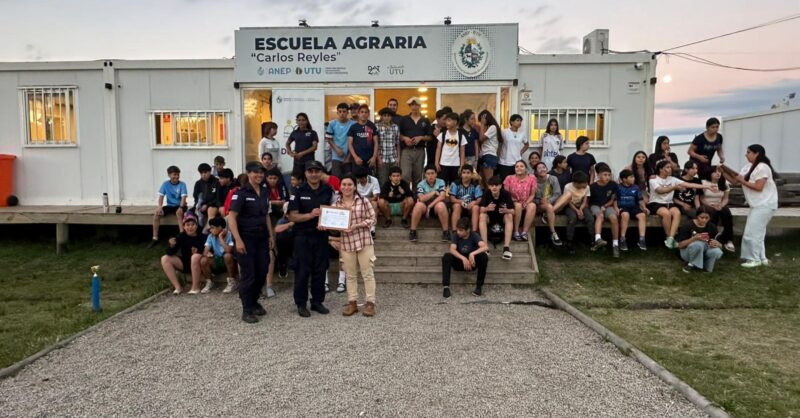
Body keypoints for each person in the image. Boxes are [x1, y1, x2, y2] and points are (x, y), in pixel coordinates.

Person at [228, 162, 274, 323]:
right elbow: (231, 217)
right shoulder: (240, 193)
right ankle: (247, 308)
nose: (259, 175)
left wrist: (271, 237)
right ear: (248, 173)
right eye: (256, 173)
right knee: (249, 274)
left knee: (262, 271)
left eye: (261, 173)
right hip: (245, 239)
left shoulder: (265, 191)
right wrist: (238, 240)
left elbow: (266, 215)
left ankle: (254, 301)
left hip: (261, 238)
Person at [287, 160, 335, 317]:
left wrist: (330, 224)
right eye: (310, 171)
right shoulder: (298, 191)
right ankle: (301, 303)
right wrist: (310, 215)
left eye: (317, 171)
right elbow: (292, 215)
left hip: (321, 236)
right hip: (303, 237)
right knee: (302, 271)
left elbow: (334, 212)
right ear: (306, 173)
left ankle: (317, 302)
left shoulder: (328, 190)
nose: (314, 174)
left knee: (320, 270)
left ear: (321, 173)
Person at [721, 144, 779, 268]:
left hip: (765, 204)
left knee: (751, 233)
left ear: (756, 153)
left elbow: (758, 187)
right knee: (758, 233)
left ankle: (754, 259)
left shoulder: (762, 167)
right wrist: (723, 171)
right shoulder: (748, 167)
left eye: (748, 152)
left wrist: (742, 181)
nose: (746, 154)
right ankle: (762, 258)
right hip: (757, 205)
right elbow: (736, 181)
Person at [330, 176, 378, 317]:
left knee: (367, 274)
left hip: (363, 240)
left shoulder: (363, 201)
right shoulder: (335, 205)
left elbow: (372, 218)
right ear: (340, 187)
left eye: (349, 184)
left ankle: (370, 303)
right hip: (346, 243)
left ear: (354, 186)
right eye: (344, 184)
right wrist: (324, 225)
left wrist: (357, 225)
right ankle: (352, 303)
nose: (346, 187)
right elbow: (331, 223)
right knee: (350, 275)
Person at [649, 160, 711, 249]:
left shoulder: (673, 179)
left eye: (670, 167)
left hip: (669, 203)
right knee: (666, 214)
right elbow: (660, 191)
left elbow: (689, 184)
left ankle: (671, 238)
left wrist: (706, 186)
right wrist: (674, 187)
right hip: (656, 203)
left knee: (677, 213)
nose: (670, 169)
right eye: (667, 167)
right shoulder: (653, 179)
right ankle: (668, 237)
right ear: (660, 169)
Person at [442, 218, 490, 298]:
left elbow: (485, 247)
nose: (458, 232)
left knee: (483, 256)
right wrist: (463, 258)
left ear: (468, 230)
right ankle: (446, 287)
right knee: (447, 257)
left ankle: (478, 287)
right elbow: (452, 249)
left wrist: (472, 254)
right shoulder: (456, 235)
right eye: (457, 230)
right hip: (459, 263)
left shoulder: (474, 235)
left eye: (461, 230)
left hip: (472, 263)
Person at [160, 213, 206, 295]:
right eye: (187, 225)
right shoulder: (181, 236)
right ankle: (177, 287)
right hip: (185, 263)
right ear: (184, 227)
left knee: (195, 257)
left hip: (199, 264)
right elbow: (170, 252)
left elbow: (208, 251)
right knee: (165, 258)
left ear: (196, 225)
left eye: (193, 225)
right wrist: (172, 245)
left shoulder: (203, 237)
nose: (190, 227)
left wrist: (198, 251)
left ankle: (195, 287)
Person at [552, 171, 593, 255]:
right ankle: (569, 241)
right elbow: (568, 201)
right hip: (570, 206)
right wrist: (577, 211)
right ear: (576, 183)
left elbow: (585, 201)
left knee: (590, 218)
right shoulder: (568, 186)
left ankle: (592, 239)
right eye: (584, 183)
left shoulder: (587, 187)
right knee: (572, 219)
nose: (585, 184)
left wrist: (581, 209)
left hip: (582, 206)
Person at [676, 208, 724, 273]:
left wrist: (718, 244)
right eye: (702, 217)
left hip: (705, 250)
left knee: (717, 252)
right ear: (697, 216)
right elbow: (680, 245)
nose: (704, 220)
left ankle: (706, 268)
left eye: (707, 218)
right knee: (698, 244)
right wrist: (694, 238)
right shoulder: (688, 225)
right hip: (688, 251)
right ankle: (691, 265)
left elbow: (720, 245)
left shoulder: (712, 226)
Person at [398, 97, 432, 188]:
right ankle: (406, 197)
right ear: (409, 106)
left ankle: (416, 198)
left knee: (418, 176)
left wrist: (421, 138)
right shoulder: (404, 119)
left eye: (416, 104)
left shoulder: (425, 120)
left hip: (420, 150)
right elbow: (398, 134)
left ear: (419, 106)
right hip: (406, 150)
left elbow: (430, 137)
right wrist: (405, 138)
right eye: (412, 105)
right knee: (405, 175)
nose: (414, 107)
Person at [150, 165, 188, 248]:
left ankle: (182, 235)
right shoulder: (165, 184)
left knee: (179, 213)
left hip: (180, 205)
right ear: (169, 175)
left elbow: (183, 198)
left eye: (178, 174)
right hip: (170, 206)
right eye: (174, 174)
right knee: (156, 214)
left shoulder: (182, 184)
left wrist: (181, 208)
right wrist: (159, 207)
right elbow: (161, 196)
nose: (177, 176)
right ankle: (155, 238)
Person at [478, 176, 515, 260]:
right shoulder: (486, 193)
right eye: (492, 185)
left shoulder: (506, 194)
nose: (494, 187)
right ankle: (485, 247)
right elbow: (481, 209)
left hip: (502, 218)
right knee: (482, 215)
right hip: (490, 219)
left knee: (509, 215)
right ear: (489, 186)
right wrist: (487, 208)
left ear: (500, 186)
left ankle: (506, 248)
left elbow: (513, 211)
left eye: (496, 185)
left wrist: (507, 210)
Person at [409, 165, 449, 242]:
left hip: (436, 207)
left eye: (432, 173)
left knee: (441, 205)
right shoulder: (421, 184)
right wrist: (433, 192)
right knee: (418, 205)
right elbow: (421, 198)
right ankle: (412, 231)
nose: (430, 176)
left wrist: (430, 206)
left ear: (436, 174)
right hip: (424, 207)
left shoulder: (441, 182)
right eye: (428, 174)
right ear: (425, 175)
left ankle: (446, 232)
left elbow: (442, 197)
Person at [701, 167, 735, 252]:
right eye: (715, 172)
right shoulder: (704, 183)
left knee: (727, 212)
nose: (718, 173)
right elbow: (701, 198)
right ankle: (713, 239)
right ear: (710, 173)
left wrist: (721, 205)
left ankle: (728, 240)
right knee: (713, 214)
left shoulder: (724, 183)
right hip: (707, 205)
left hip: (719, 205)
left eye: (719, 171)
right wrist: (711, 206)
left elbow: (725, 198)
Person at [588, 163, 619, 256]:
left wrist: (608, 206)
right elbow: (589, 201)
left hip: (607, 205)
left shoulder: (613, 185)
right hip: (595, 205)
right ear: (598, 175)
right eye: (605, 175)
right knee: (600, 215)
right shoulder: (592, 186)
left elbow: (613, 199)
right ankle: (598, 239)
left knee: (613, 218)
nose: (607, 177)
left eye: (609, 175)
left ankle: (615, 244)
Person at [200, 216, 237, 294]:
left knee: (227, 256)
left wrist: (220, 237)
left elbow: (228, 250)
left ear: (220, 227)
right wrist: (207, 253)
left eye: (212, 228)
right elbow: (205, 251)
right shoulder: (210, 236)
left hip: (229, 261)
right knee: (203, 260)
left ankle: (232, 282)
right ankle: (209, 282)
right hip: (217, 259)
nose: (210, 230)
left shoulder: (230, 235)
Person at [503, 160, 537, 242]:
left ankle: (524, 232)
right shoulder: (509, 178)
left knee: (532, 206)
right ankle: (516, 231)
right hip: (513, 202)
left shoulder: (532, 178)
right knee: (518, 205)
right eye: (517, 166)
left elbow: (532, 194)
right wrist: (512, 201)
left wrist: (526, 202)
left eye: (521, 166)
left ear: (525, 168)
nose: (519, 168)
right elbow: (505, 194)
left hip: (526, 201)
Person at [617, 169, 649, 252]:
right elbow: (614, 199)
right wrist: (616, 209)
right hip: (623, 207)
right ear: (624, 179)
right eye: (631, 177)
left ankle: (642, 239)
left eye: (633, 176)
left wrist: (644, 208)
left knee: (642, 215)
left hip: (634, 207)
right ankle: (622, 239)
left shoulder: (635, 187)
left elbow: (640, 200)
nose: (633, 178)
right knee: (625, 215)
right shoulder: (618, 187)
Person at [532, 162, 563, 246]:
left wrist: (549, 201)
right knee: (548, 207)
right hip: (540, 206)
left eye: (544, 167)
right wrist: (540, 201)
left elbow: (557, 194)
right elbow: (531, 198)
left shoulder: (553, 178)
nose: (542, 169)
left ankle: (547, 215)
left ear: (547, 169)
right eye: (539, 168)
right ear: (535, 172)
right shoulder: (533, 181)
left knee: (568, 195)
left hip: (554, 204)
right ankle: (553, 233)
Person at [434, 112, 466, 186]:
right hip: (443, 164)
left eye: (449, 120)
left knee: (455, 186)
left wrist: (461, 166)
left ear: (455, 122)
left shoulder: (461, 136)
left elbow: (462, 152)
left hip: (456, 165)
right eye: (446, 120)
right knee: (442, 186)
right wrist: (436, 163)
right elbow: (438, 149)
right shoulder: (442, 134)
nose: (446, 123)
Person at [449, 164, 482, 232]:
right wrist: (461, 202)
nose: (466, 175)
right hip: (459, 207)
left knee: (476, 207)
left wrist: (474, 202)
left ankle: (474, 231)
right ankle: (454, 231)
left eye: (468, 173)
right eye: (464, 172)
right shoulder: (455, 183)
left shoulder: (476, 185)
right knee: (456, 206)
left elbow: (479, 199)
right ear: (461, 174)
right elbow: (452, 198)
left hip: (470, 208)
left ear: (472, 174)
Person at [325, 103, 356, 178]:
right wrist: (336, 149)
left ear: (347, 113)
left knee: (349, 179)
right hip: (336, 156)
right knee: (336, 179)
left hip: (349, 157)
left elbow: (355, 142)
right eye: (340, 111)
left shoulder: (353, 124)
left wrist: (349, 157)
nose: (342, 114)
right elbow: (329, 138)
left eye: (344, 111)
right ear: (337, 112)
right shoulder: (332, 123)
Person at [348, 104, 380, 173]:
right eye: (362, 112)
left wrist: (374, 157)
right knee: (357, 181)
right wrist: (355, 157)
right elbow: (349, 144)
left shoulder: (372, 126)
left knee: (370, 181)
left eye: (366, 112)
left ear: (368, 114)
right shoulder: (353, 127)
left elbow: (376, 142)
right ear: (358, 114)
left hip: (370, 160)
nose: (364, 114)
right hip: (357, 160)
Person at [498, 114, 529, 182]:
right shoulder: (504, 132)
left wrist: (521, 152)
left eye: (520, 121)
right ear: (511, 122)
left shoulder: (522, 134)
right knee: (504, 182)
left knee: (516, 182)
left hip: (517, 162)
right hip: (504, 162)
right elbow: (500, 145)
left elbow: (527, 145)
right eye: (517, 120)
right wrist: (498, 155)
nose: (519, 122)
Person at [191, 163, 220, 231]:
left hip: (213, 206)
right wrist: (198, 206)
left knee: (210, 210)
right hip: (201, 206)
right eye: (201, 173)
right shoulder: (198, 183)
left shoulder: (216, 182)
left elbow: (218, 198)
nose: (203, 174)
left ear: (210, 172)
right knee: (188, 213)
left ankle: (205, 232)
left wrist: (207, 205)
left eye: (205, 172)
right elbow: (196, 197)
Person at [353, 166, 381, 236]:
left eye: (362, 179)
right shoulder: (354, 180)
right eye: (358, 179)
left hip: (370, 200)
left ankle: (372, 227)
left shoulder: (374, 180)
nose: (360, 181)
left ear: (366, 176)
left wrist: (365, 200)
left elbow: (375, 197)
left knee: (374, 203)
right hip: (357, 199)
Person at [376, 107, 400, 186]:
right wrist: (379, 158)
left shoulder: (395, 127)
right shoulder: (377, 127)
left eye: (388, 116)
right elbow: (376, 144)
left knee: (394, 182)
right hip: (382, 159)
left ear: (391, 117)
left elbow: (397, 144)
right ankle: (383, 198)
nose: (386, 117)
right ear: (381, 117)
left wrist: (398, 158)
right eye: (384, 115)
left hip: (393, 158)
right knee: (383, 181)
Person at [477, 110, 502, 183]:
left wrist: (482, 125)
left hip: (489, 155)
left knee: (489, 181)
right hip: (485, 155)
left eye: (481, 120)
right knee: (484, 181)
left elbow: (481, 138)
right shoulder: (488, 128)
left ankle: (490, 194)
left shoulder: (493, 127)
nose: (480, 122)